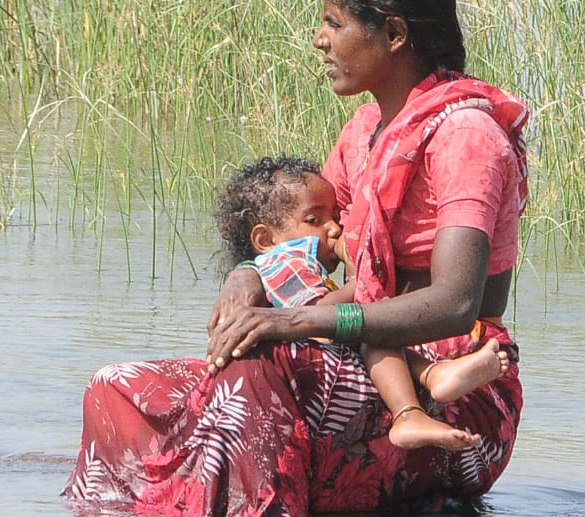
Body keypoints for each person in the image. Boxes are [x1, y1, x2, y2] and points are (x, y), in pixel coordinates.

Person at [63, 0, 527, 517]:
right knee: (117, 388)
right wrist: (244, 281)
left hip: (457, 388)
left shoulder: (467, 135)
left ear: (393, 34)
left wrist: (295, 321)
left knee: (257, 366)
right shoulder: (363, 133)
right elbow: (299, 245)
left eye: (334, 23)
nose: (320, 39)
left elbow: (457, 304)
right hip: (362, 362)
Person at [213, 154, 510, 452]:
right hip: (319, 352)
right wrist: (361, 282)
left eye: (336, 218)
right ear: (265, 239)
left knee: (374, 326)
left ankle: (432, 377)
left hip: (330, 349)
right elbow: (315, 314)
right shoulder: (287, 263)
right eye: (314, 220)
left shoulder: (290, 262)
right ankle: (411, 407)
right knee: (374, 327)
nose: (334, 230)